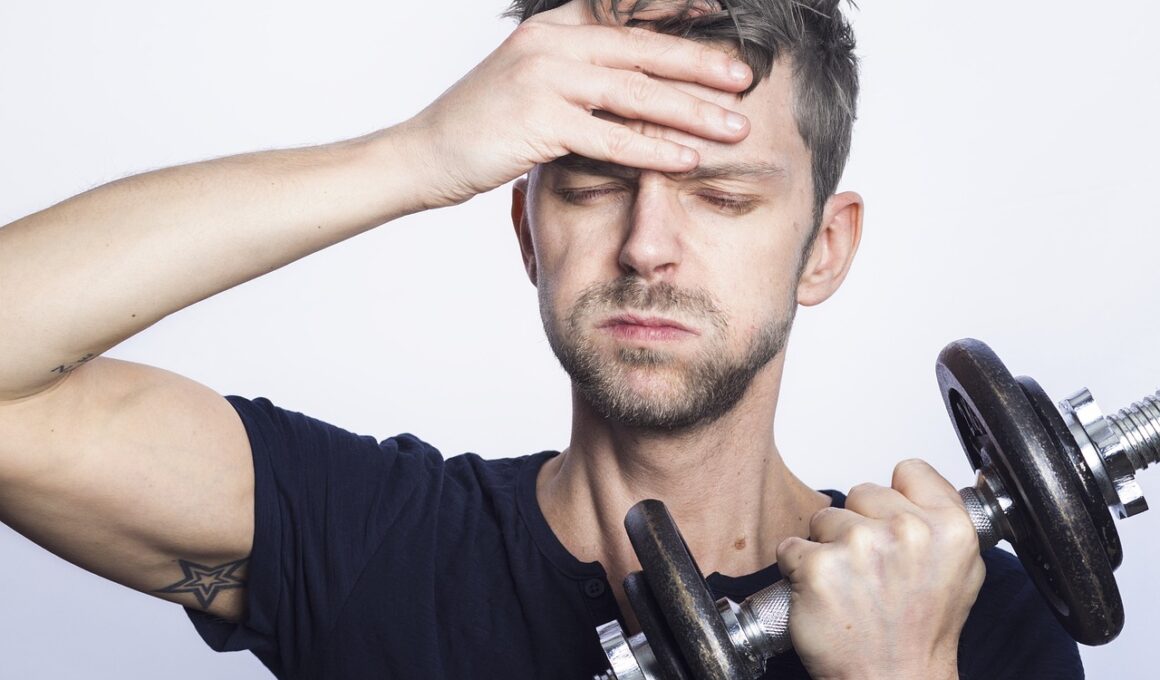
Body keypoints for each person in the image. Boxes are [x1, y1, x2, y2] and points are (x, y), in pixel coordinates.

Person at [0, 0, 1083, 678]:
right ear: (527, 229)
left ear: (822, 249)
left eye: (720, 197)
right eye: (592, 185)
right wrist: (416, 154)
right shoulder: (377, 546)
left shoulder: (962, 616)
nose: (646, 246)